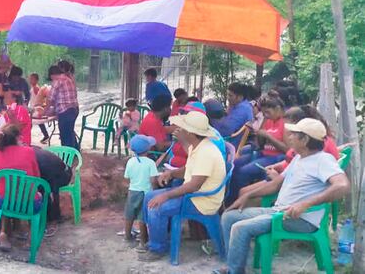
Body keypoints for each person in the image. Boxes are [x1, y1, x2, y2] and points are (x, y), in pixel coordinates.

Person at [216, 118, 350, 274]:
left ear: (305, 139)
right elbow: (275, 184)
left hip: (299, 219)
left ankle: (234, 271)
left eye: (294, 134)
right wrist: (247, 196)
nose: (290, 137)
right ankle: (234, 265)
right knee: (228, 216)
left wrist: (305, 204)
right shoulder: (300, 157)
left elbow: (342, 185)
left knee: (240, 228)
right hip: (279, 211)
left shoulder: (323, 160)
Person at [139, 111, 226, 261]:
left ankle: (157, 248)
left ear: (191, 133)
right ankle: (156, 238)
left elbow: (194, 185)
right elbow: (189, 169)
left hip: (201, 201)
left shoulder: (206, 152)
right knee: (149, 197)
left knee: (156, 207)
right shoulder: (198, 146)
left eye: (183, 128)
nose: (179, 130)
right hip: (194, 195)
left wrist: (165, 195)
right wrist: (171, 174)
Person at [0, 124, 41, 251]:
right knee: (32, 196)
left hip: (4, 203)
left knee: (3, 195)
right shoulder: (29, 152)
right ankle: (31, 235)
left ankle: (3, 233)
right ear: (17, 138)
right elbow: (36, 177)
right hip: (29, 203)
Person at [226, 94, 288, 206]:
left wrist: (269, 137)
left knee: (243, 172)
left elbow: (287, 150)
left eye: (268, 113)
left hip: (276, 157)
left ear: (278, 109)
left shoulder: (286, 123)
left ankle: (236, 203)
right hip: (262, 153)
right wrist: (260, 132)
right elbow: (260, 143)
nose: (266, 116)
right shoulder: (269, 120)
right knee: (234, 165)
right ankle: (229, 200)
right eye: (264, 114)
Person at [123, 135, 159, 248]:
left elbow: (127, 177)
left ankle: (127, 235)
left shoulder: (130, 161)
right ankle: (143, 240)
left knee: (129, 214)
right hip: (146, 192)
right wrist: (155, 190)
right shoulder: (150, 163)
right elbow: (153, 180)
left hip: (132, 191)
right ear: (148, 149)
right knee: (142, 217)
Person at [33, 147, 72, 223]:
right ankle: (50, 215)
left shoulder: (29, 155)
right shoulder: (32, 150)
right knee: (41, 186)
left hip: (63, 175)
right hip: (53, 173)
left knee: (41, 186)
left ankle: (52, 215)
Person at [47, 65, 79, 150]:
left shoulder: (57, 80)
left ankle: (67, 158)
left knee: (65, 136)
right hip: (74, 109)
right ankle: (75, 152)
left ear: (52, 75)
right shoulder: (68, 79)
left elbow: (50, 98)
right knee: (70, 133)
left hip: (65, 111)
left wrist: (45, 111)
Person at [29, 72, 51, 143]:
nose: (30, 80)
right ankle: (46, 135)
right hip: (33, 107)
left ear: (36, 80)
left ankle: (45, 135)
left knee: (32, 123)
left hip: (35, 108)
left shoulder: (36, 88)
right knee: (38, 124)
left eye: (32, 79)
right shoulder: (33, 88)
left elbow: (41, 97)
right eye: (30, 79)